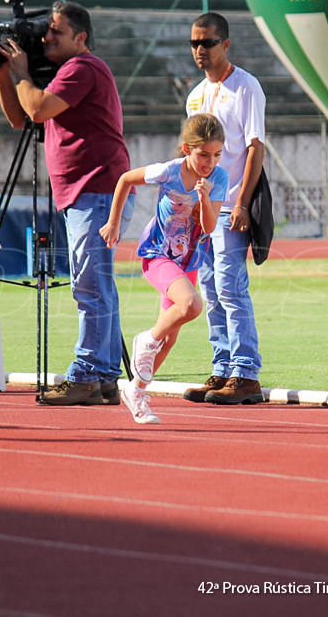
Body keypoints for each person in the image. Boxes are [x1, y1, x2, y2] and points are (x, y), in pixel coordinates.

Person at [0, 0, 131, 406]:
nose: (46, 36)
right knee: (98, 285)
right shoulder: (67, 73)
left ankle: (87, 374)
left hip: (97, 188)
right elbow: (22, 119)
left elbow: (36, 106)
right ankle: (103, 375)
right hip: (85, 191)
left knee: (90, 286)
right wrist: (6, 76)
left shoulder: (83, 68)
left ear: (80, 38)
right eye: (46, 30)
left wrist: (22, 73)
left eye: (56, 31)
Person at [101, 113, 229, 425]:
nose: (209, 162)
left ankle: (137, 390)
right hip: (158, 254)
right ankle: (146, 339)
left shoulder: (219, 179)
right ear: (187, 149)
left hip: (188, 261)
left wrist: (204, 196)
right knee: (191, 304)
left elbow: (209, 227)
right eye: (203, 155)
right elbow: (125, 180)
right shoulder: (168, 172)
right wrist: (113, 222)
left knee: (170, 338)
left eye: (216, 155)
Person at [183, 12, 267, 405]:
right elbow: (192, 154)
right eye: (194, 43)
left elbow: (255, 147)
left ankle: (246, 372)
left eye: (207, 42)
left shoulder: (246, 87)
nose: (200, 50)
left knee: (232, 288)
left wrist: (243, 203)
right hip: (203, 207)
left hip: (232, 205)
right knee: (211, 290)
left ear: (225, 44)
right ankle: (222, 368)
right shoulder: (195, 95)